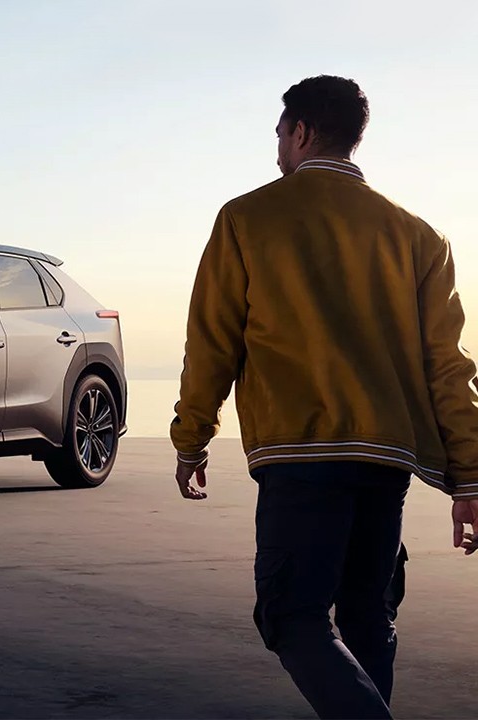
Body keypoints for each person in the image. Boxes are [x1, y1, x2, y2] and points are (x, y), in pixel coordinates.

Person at [169, 74, 478, 719]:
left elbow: (213, 342)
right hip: (385, 461)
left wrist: (191, 436)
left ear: (302, 131)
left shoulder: (247, 218)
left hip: (301, 457)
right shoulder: (417, 235)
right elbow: (448, 367)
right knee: (367, 617)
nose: (277, 148)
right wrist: (470, 480)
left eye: (280, 133)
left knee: (290, 615)